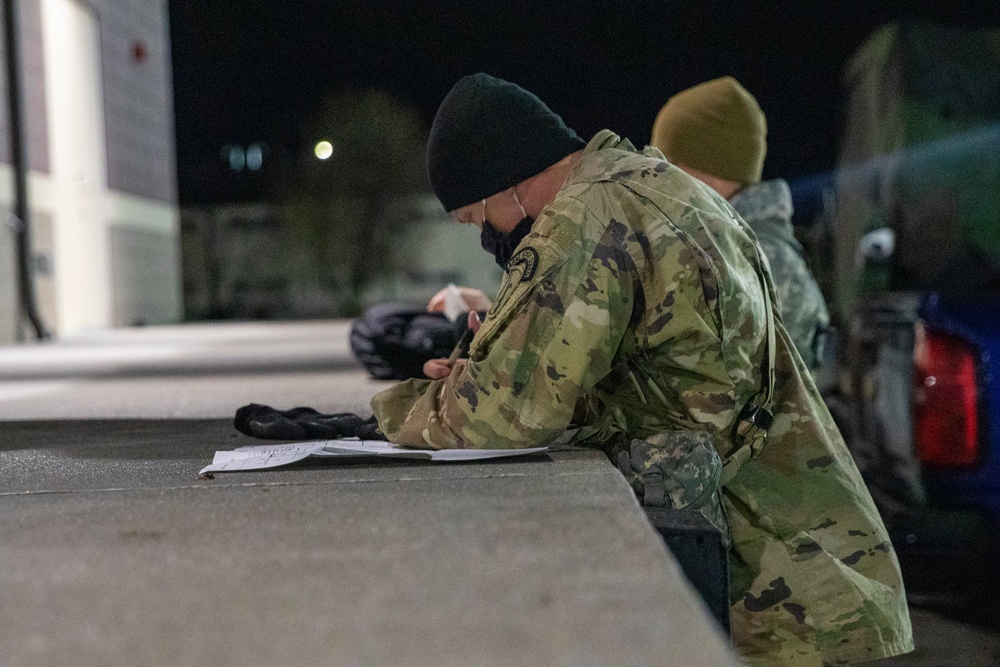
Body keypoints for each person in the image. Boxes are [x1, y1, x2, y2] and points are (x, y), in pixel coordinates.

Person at [368, 73, 912, 665]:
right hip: (816, 567)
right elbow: (656, 378)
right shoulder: (652, 185)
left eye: (476, 217)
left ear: (507, 183)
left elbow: (502, 413)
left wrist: (393, 411)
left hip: (781, 595)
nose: (485, 235)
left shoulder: (585, 219)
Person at [650, 76, 829, 371]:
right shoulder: (729, 246)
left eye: (664, 165)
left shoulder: (753, 260)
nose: (655, 179)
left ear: (697, 169)